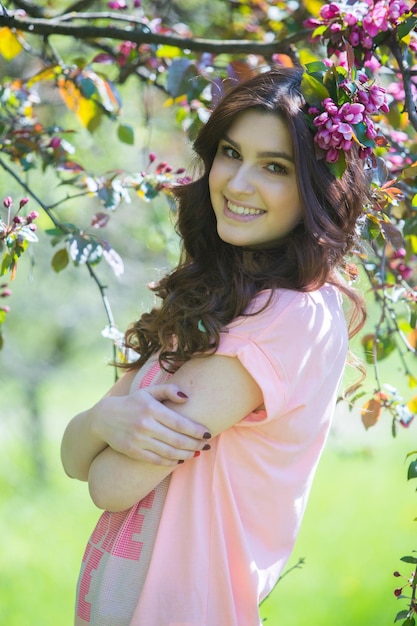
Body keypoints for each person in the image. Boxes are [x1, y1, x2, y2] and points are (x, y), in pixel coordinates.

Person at [61, 65, 370, 626]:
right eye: (231, 153)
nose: (237, 183)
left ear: (317, 191)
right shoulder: (224, 299)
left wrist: (104, 424)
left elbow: (109, 482)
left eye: (274, 167)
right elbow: (72, 453)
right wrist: (108, 422)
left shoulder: (287, 317)